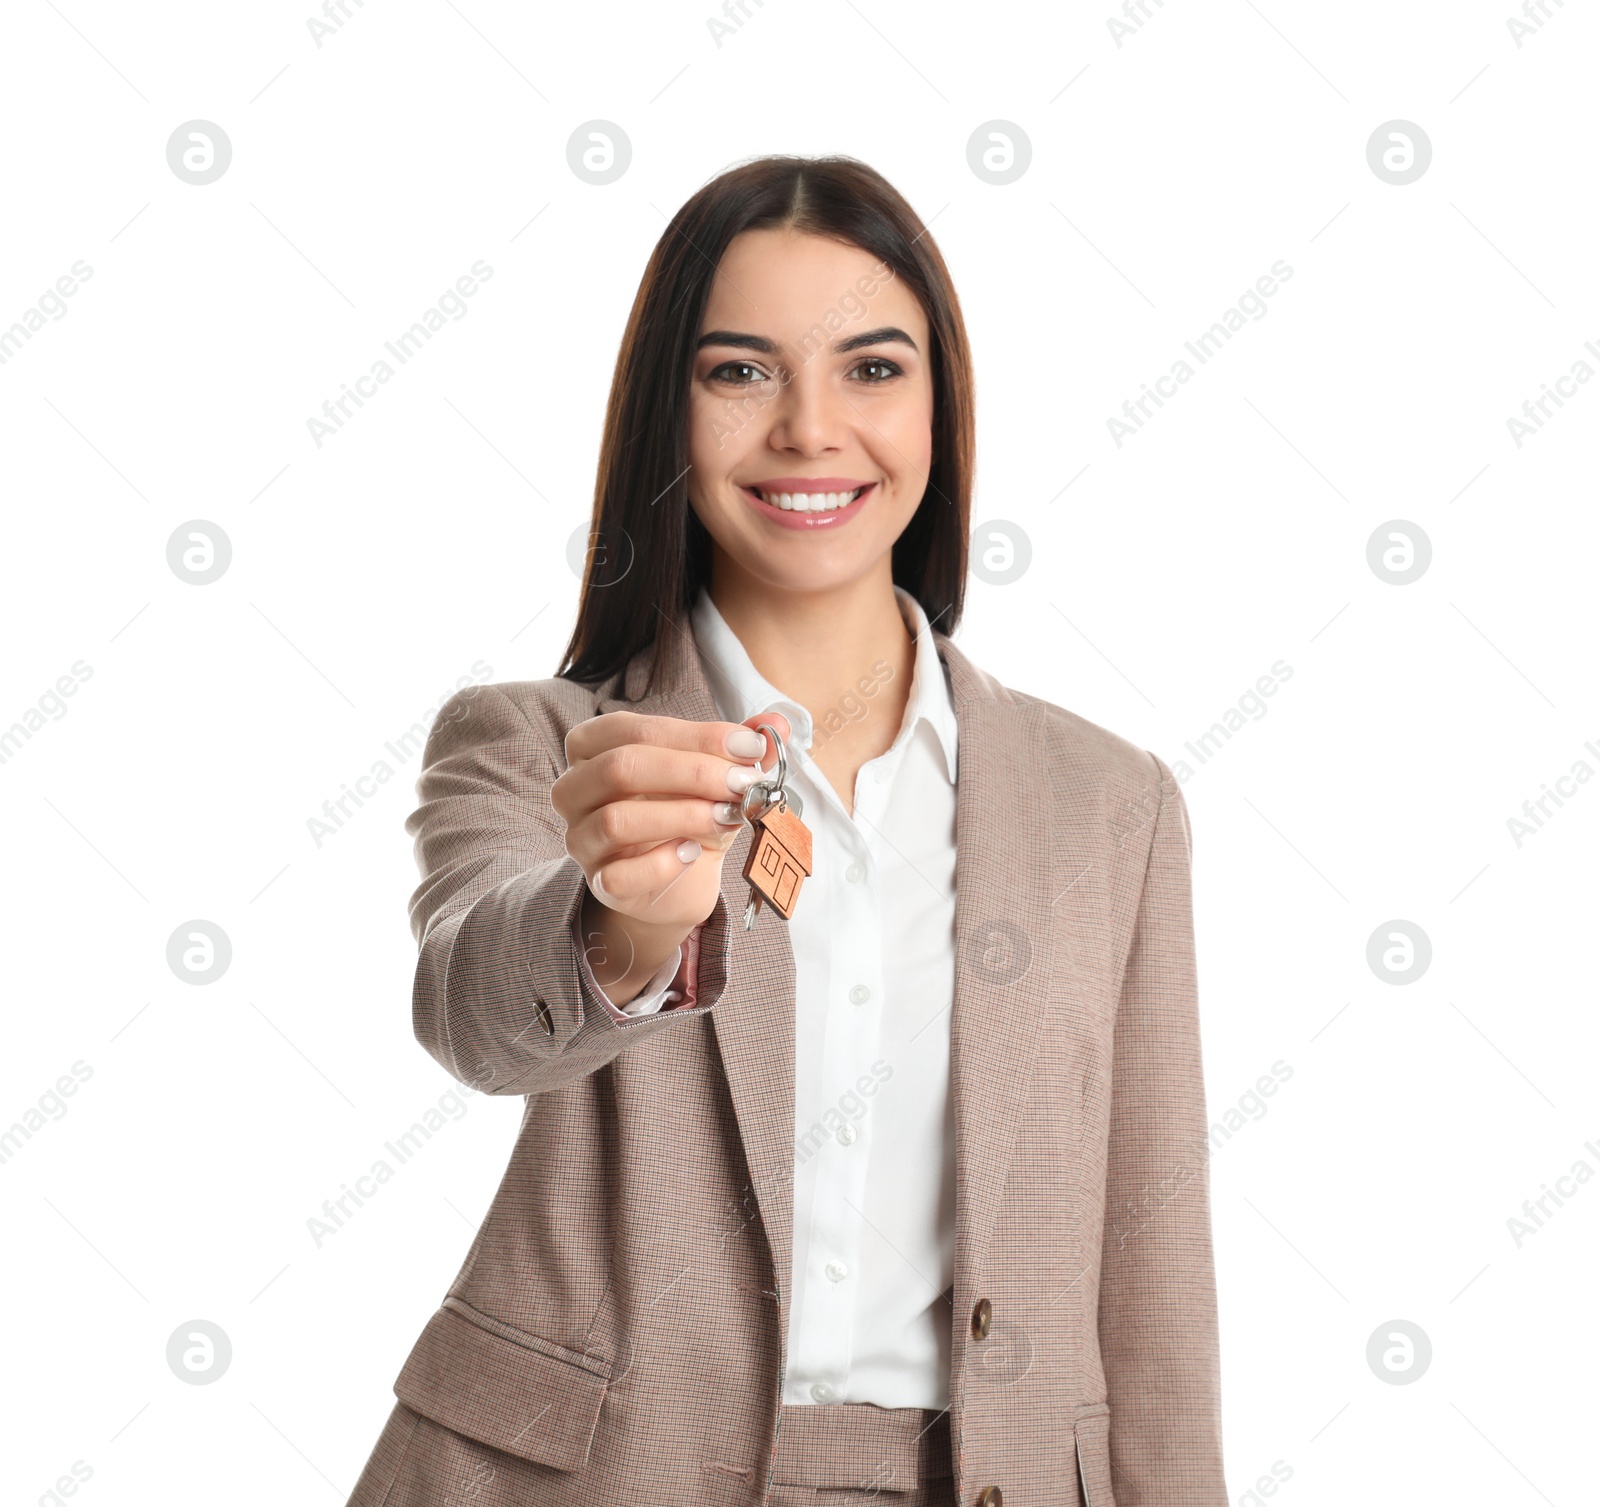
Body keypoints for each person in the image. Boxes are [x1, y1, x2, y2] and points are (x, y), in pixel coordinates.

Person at [348, 154, 1227, 1507]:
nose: (811, 430)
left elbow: (1152, 1267)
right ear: (668, 411)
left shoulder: (1114, 807)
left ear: (942, 409)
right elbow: (471, 1010)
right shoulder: (541, 743)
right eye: (740, 371)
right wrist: (626, 926)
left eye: (873, 369)